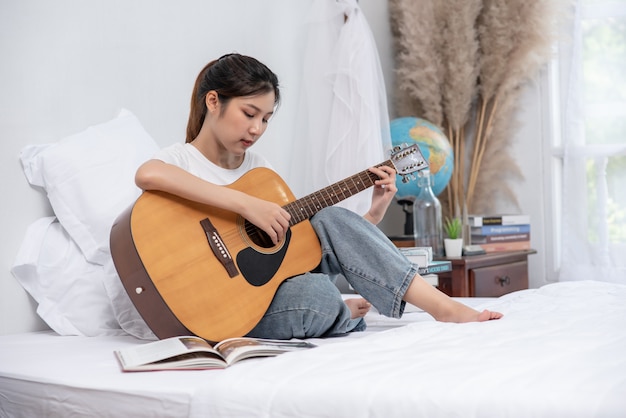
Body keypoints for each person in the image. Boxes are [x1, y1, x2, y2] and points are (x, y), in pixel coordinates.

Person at [135, 53, 502, 340]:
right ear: (213, 101)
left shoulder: (259, 169)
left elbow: (297, 254)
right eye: (249, 113)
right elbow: (147, 174)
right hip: (214, 307)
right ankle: (346, 313)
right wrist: (246, 204)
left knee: (320, 261)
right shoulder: (182, 159)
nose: (256, 128)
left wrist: (372, 216)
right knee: (323, 300)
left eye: (265, 119)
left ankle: (442, 308)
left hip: (257, 297)